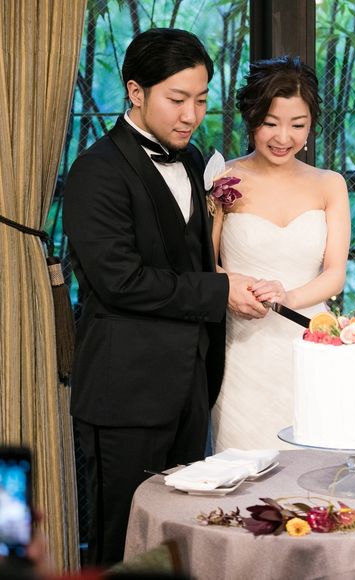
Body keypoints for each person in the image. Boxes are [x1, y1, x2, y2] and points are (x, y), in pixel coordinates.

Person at [63, 28, 266, 567]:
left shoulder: (195, 160)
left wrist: (231, 278)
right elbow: (121, 281)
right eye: (177, 99)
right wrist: (219, 290)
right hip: (125, 394)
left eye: (200, 100)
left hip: (190, 385)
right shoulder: (96, 171)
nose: (191, 115)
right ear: (135, 91)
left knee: (180, 542)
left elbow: (190, 259)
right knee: (123, 544)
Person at [211, 56, 351, 451]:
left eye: (298, 125)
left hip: (310, 343)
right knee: (243, 466)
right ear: (251, 118)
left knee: (315, 462)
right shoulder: (223, 180)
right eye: (271, 123)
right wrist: (232, 286)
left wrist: (287, 296)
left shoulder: (330, 184)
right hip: (241, 351)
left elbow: (334, 273)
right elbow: (204, 263)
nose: (283, 137)